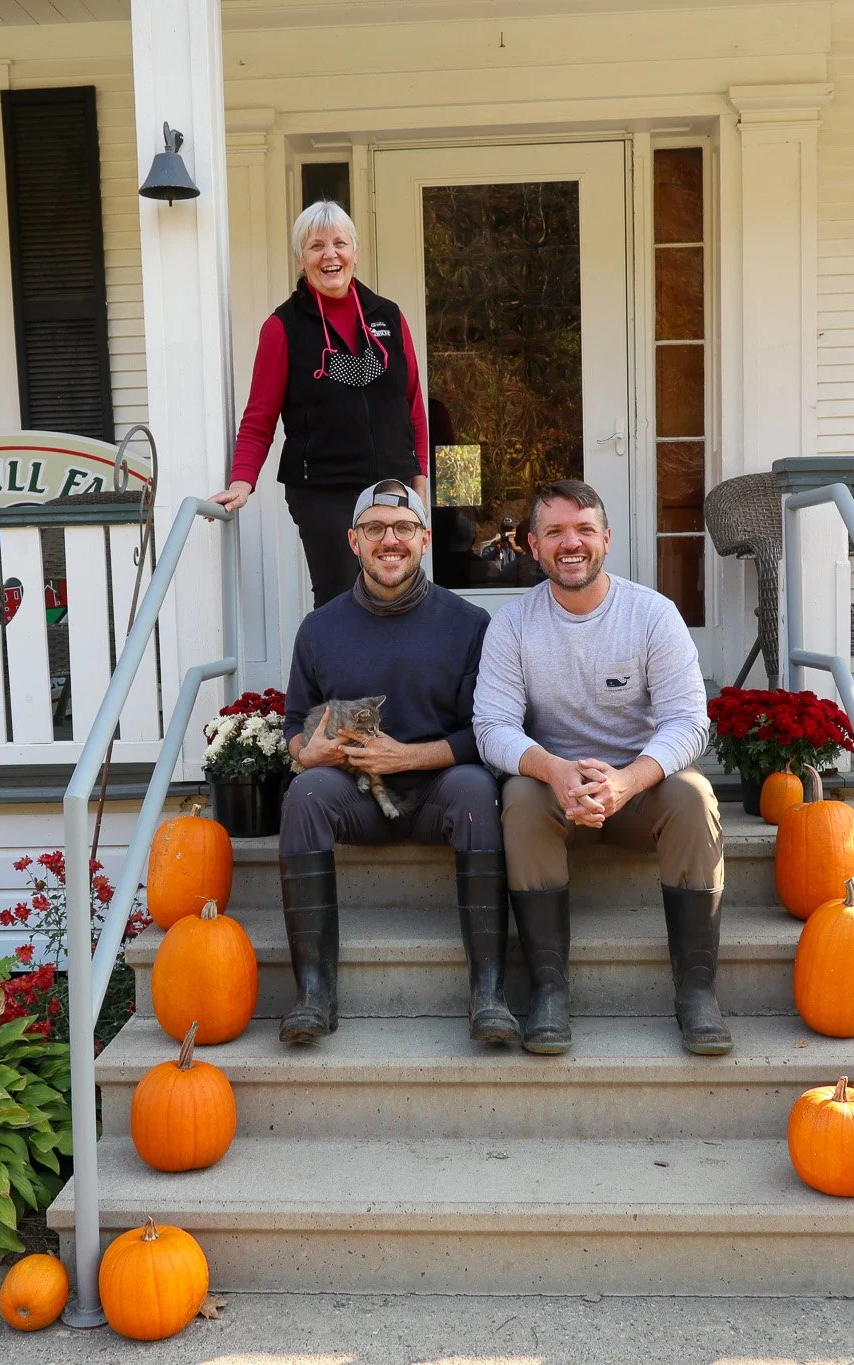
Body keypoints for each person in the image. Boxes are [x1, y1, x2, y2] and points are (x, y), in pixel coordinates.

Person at [472, 478, 727, 1057]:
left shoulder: (652, 615)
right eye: (555, 532)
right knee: (517, 797)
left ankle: (697, 992)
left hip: (639, 789)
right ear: (531, 546)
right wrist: (556, 771)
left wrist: (628, 780)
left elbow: (689, 722)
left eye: (584, 529)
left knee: (694, 797)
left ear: (607, 539)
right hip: (554, 792)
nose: (571, 543)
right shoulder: (511, 626)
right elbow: (492, 727)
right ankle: (548, 992)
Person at [278, 478, 515, 1045]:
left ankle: (489, 993)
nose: (391, 539)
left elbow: (487, 732)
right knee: (304, 795)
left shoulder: (469, 625)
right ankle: (314, 993)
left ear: (425, 539)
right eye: (375, 528)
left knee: (478, 790)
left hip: (440, 795)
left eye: (404, 528)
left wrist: (408, 755)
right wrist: (306, 753)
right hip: (355, 796)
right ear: (353, 541)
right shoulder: (320, 629)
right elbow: (293, 724)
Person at [210, 200, 431, 607]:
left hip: (392, 481)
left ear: (355, 253)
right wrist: (243, 481)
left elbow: (412, 403)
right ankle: (335, 672)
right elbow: (260, 416)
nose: (330, 255)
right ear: (301, 259)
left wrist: (419, 473)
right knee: (341, 596)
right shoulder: (283, 327)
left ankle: (397, 672)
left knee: (399, 592)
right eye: (316, 246)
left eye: (339, 244)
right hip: (323, 488)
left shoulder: (389, 317)